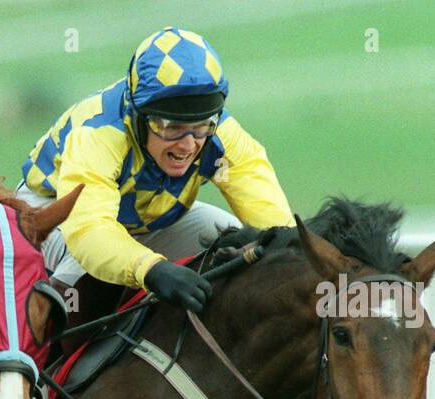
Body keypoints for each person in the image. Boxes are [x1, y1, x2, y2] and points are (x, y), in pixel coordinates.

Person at [18, 26, 295, 316]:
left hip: (144, 220)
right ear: (138, 117)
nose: (188, 145)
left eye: (200, 127)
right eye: (172, 127)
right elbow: (89, 232)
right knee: (86, 282)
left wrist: (292, 257)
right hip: (54, 215)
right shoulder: (98, 136)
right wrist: (150, 269)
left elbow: (276, 228)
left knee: (239, 246)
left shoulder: (220, 135)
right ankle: (46, 355)